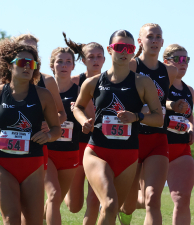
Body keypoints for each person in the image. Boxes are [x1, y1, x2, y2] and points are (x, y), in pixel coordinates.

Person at [74, 29, 163, 224]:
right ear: (110, 49)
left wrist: (137, 117)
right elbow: (78, 107)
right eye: (119, 47)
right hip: (97, 151)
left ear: (133, 51)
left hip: (128, 155)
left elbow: (158, 119)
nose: (124, 52)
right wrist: (83, 121)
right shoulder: (93, 82)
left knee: (112, 211)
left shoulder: (143, 82)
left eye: (129, 48)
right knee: (110, 204)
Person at [0, 38, 61, 225]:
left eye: (31, 63)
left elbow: (56, 128)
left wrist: (49, 135)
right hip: (2, 164)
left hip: (33, 164)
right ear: (9, 66)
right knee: (11, 219)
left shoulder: (43, 95)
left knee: (33, 222)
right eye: (21, 62)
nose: (27, 67)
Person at [119, 23, 187, 225]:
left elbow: (159, 102)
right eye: (150, 37)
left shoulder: (169, 71)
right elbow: (119, 96)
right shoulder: (131, 66)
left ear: (163, 42)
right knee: (129, 203)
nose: (155, 40)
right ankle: (124, 216)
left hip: (158, 139)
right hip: (133, 138)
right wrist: (138, 110)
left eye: (158, 37)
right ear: (140, 41)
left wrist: (172, 104)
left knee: (152, 198)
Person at [63, 33, 104, 225]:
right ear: (83, 60)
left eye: (99, 56)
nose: (95, 60)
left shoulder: (112, 82)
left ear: (105, 59)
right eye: (91, 57)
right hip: (76, 144)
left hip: (102, 145)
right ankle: (55, 198)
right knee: (74, 206)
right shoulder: (73, 82)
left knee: (94, 198)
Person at [44, 46, 86, 225]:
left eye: (68, 62)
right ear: (52, 65)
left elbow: (89, 120)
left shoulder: (80, 91)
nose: (64, 65)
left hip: (70, 152)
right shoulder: (42, 91)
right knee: (53, 194)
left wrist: (85, 120)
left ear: (73, 66)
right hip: (47, 150)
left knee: (61, 202)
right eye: (59, 61)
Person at [14, 34, 67, 172]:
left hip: (36, 147)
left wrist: (49, 126)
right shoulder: (4, 81)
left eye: (33, 48)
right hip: (7, 147)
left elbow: (62, 114)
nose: (29, 51)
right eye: (25, 47)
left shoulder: (48, 80)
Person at [163, 44, 194, 225]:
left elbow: (191, 118)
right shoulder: (159, 86)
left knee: (182, 199)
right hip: (156, 148)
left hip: (181, 150)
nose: (183, 63)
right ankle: (121, 206)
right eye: (178, 59)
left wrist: (191, 128)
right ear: (166, 62)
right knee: (147, 199)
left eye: (186, 60)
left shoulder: (189, 90)